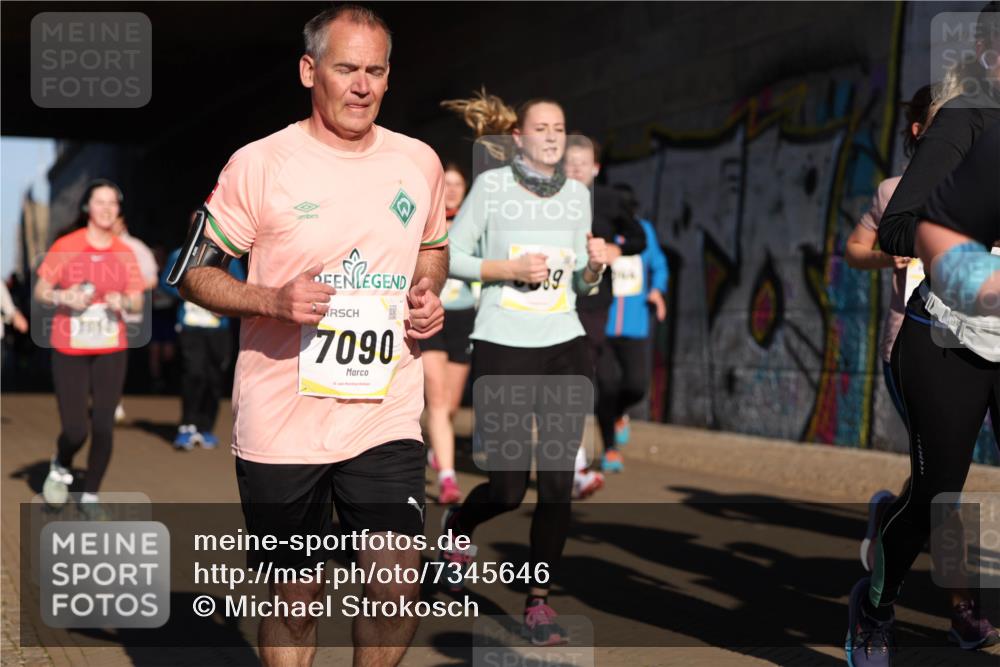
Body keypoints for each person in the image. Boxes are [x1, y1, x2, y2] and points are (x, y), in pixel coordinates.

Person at [170, 6, 446, 666]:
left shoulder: (419, 160)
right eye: (346, 68)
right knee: (296, 596)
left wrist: (426, 289)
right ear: (308, 70)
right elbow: (193, 273)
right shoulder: (260, 164)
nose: (361, 85)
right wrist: (271, 297)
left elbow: (433, 245)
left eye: (374, 71)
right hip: (282, 420)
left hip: (384, 413)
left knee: (394, 581)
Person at [848, 7, 1000, 665]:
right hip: (945, 335)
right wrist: (976, 262)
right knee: (939, 491)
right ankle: (875, 604)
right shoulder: (966, 118)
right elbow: (898, 226)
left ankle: (965, 609)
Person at [439, 90, 607, 645]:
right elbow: (451, 256)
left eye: (560, 127)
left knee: (557, 485)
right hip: (504, 344)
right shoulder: (492, 188)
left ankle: (538, 603)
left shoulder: (579, 196)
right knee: (509, 488)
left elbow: (582, 277)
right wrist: (506, 267)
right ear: (519, 137)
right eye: (542, 128)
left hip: (564, 344)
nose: (553, 136)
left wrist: (597, 269)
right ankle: (459, 526)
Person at [33, 179, 144, 517]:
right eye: (100, 202)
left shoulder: (125, 253)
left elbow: (137, 303)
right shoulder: (67, 245)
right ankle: (61, 463)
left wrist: (121, 299)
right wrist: (62, 295)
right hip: (70, 347)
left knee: (104, 425)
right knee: (76, 429)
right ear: (87, 207)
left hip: (111, 345)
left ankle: (90, 495)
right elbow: (41, 290)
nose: (107, 208)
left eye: (113, 202)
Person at [564, 134, 646, 481]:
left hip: (594, 301)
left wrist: (616, 248)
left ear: (595, 168)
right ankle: (572, 456)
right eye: (570, 162)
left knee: (580, 373)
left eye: (583, 162)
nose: (577, 168)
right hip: (553, 296)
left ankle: (574, 454)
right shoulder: (547, 201)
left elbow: (638, 238)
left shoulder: (610, 200)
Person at [595, 183, 668, 471]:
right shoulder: (599, 229)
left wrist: (657, 290)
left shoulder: (644, 233)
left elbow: (659, 265)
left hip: (635, 323)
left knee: (637, 386)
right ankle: (610, 449)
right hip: (603, 322)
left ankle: (620, 413)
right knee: (607, 387)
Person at [160, 236, 246, 450]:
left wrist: (222, 299)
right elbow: (166, 282)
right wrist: (192, 293)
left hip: (218, 328)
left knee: (215, 377)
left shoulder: (230, 258)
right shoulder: (180, 254)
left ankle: (205, 428)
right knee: (194, 373)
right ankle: (186, 426)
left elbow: (241, 286)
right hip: (190, 326)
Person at [421, 162, 475, 504]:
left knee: (451, 405)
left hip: (464, 319)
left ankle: (437, 448)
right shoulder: (428, 223)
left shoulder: (475, 226)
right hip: (431, 315)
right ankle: (447, 478)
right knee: (437, 398)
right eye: (447, 183)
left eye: (458, 184)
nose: (452, 189)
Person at [111, 215, 159, 423]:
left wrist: (127, 291)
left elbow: (152, 279)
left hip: (125, 314)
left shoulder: (136, 248)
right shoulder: (91, 245)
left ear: (122, 222)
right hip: (95, 316)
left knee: (114, 360)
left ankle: (113, 402)